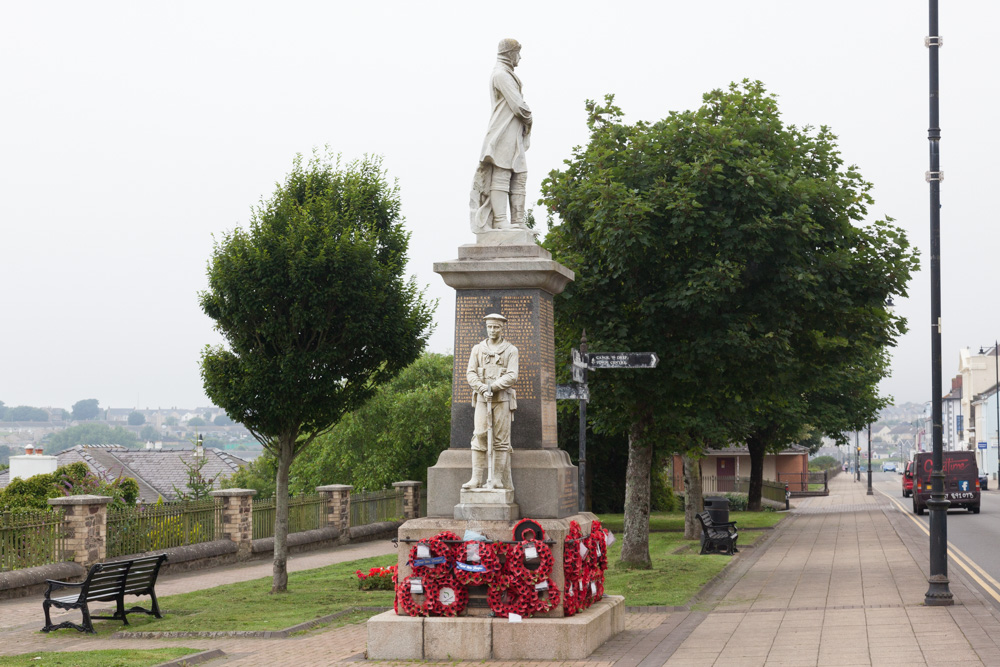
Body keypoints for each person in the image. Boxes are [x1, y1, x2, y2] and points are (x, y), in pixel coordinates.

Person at [470, 38, 532, 233]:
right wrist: (529, 116)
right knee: (502, 174)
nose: (520, 58)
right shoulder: (501, 75)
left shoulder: (506, 74)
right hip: (502, 131)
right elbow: (518, 106)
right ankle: (500, 220)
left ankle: (519, 221)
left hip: (514, 133)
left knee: (519, 176)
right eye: (517, 53)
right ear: (509, 53)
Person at [463, 313, 518, 490]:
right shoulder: (477, 349)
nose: (493, 330)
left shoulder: (511, 350)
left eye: (496, 327)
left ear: (502, 328)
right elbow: (470, 373)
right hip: (481, 399)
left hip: (502, 399)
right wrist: (481, 388)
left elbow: (512, 375)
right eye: (490, 327)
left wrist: (492, 387)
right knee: (479, 434)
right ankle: (476, 479)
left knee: (501, 440)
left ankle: (496, 479)